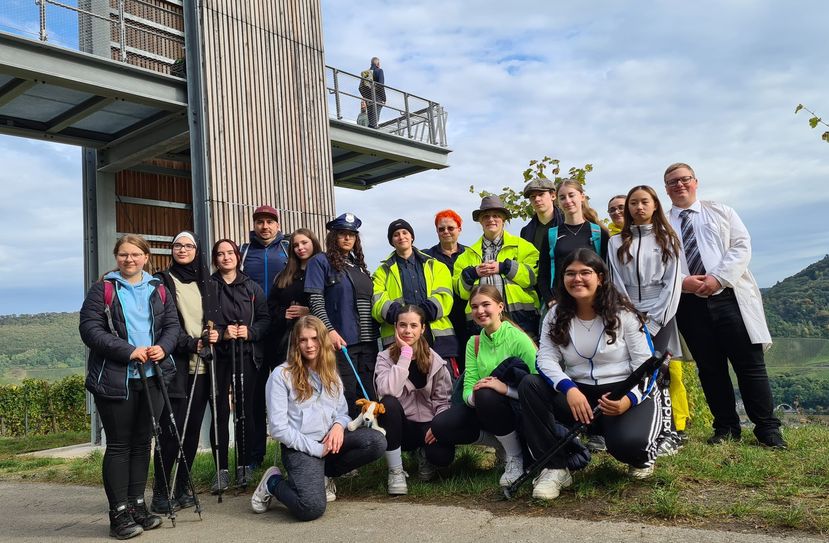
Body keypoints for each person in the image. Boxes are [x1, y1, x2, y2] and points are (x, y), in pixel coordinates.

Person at [520, 249, 662, 500]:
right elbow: (545, 359)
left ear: (601, 278)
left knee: (628, 447)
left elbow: (648, 365)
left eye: (585, 272)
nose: (577, 279)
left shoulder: (624, 314)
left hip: (622, 393)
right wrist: (569, 388)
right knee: (530, 384)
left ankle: (641, 455)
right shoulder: (554, 314)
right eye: (570, 273)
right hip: (579, 395)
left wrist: (627, 400)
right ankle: (555, 467)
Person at [663, 162, 785, 448]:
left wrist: (718, 278)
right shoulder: (663, 225)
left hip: (729, 297)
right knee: (710, 368)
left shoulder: (721, 211)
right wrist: (684, 281)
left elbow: (741, 246)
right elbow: (660, 263)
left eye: (684, 179)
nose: (679, 185)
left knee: (750, 365)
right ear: (666, 189)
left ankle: (767, 429)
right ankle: (726, 428)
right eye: (672, 182)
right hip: (689, 303)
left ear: (695, 182)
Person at [79, 234, 180, 539]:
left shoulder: (158, 288)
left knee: (142, 444)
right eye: (123, 255)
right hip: (116, 379)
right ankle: (118, 514)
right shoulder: (103, 289)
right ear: (117, 257)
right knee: (120, 445)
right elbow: (89, 329)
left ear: (146, 257)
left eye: (135, 254)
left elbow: (172, 326)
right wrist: (128, 351)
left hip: (153, 377)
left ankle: (138, 506)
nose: (129, 260)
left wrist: (162, 347)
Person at [251, 316, 386, 520]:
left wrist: (339, 427)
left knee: (376, 442)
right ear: (296, 343)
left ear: (322, 340)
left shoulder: (329, 371)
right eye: (303, 340)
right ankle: (273, 483)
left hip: (329, 441)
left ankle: (325, 473)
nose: (309, 345)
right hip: (301, 447)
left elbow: (341, 411)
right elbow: (278, 428)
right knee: (310, 508)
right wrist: (317, 449)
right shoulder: (281, 376)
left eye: (314, 338)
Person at [607, 186, 689, 453]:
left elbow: (672, 284)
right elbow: (615, 282)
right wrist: (629, 316)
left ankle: (669, 430)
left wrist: (654, 320)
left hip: (661, 312)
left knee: (659, 371)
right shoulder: (616, 242)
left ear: (655, 205)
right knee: (632, 370)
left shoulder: (668, 238)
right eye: (633, 203)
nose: (638, 208)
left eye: (644, 202)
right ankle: (640, 426)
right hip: (628, 312)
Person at [430, 285, 538, 489]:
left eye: (486, 304)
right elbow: (469, 384)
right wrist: (475, 396)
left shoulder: (519, 339)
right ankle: (503, 444)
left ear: (500, 307)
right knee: (441, 425)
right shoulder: (474, 342)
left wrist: (505, 389)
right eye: (475, 306)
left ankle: (515, 458)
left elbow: (537, 384)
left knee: (488, 395)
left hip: (518, 408)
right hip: (486, 406)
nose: (480, 311)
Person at [150, 231, 218, 514]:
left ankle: (183, 486)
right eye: (177, 245)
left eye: (188, 245)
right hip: (175, 366)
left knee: (190, 433)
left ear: (196, 250)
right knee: (170, 431)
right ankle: (161, 492)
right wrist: (191, 343)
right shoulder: (162, 281)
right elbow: (166, 324)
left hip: (202, 367)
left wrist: (214, 335)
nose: (182, 249)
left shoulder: (207, 283)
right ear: (171, 250)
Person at [210, 239, 270, 491]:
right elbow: (204, 321)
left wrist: (250, 331)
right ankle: (221, 469)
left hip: (247, 356)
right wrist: (223, 333)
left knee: (246, 410)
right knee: (220, 412)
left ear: (237, 256)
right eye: (220, 254)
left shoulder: (252, 287)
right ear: (215, 259)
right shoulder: (208, 287)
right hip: (219, 357)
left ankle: (245, 465)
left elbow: (266, 320)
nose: (226, 258)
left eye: (230, 253)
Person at [305, 213, 379, 417]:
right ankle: (348, 443)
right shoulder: (320, 262)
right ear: (333, 237)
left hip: (368, 342)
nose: (347, 238)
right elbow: (315, 300)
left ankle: (373, 444)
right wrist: (329, 331)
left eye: (352, 235)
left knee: (370, 395)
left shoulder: (359, 266)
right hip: (342, 342)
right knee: (347, 396)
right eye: (342, 234)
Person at [375, 305, 454, 495]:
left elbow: (443, 401)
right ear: (395, 327)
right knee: (388, 403)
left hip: (428, 426)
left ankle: (424, 454)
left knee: (443, 457)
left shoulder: (436, 361)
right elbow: (387, 391)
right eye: (402, 325)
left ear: (423, 329)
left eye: (413, 325)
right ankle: (396, 471)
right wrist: (405, 355)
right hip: (401, 427)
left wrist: (439, 425)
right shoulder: (384, 358)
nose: (408, 331)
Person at [372, 219, 458, 372]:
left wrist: (418, 316)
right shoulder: (381, 272)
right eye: (396, 235)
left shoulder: (436, 266)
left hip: (438, 341)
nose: (401, 237)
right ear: (392, 241)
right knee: (404, 392)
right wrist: (405, 318)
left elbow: (445, 296)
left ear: (412, 237)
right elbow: (378, 303)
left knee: (444, 390)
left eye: (405, 233)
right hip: (398, 344)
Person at [240, 204, 289, 469]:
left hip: (283, 331)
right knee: (254, 397)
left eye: (270, 222)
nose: (265, 226)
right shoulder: (244, 251)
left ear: (278, 225)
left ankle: (292, 455)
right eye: (260, 222)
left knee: (289, 395)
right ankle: (253, 458)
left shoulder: (288, 249)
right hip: (254, 333)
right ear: (254, 225)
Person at [453, 195, 540, 340]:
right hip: (481, 325)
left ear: (503, 220)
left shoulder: (523, 246)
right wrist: (473, 273)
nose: (491, 220)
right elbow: (460, 291)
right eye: (486, 216)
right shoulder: (465, 256)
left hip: (521, 320)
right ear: (480, 221)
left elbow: (532, 278)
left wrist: (505, 267)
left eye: (496, 216)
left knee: (525, 362)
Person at [267, 229, 322, 370]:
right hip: (288, 342)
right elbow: (271, 306)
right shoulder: (284, 276)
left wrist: (309, 312)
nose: (300, 248)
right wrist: (283, 313)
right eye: (296, 245)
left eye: (304, 243)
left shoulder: (325, 271)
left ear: (314, 243)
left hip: (317, 341)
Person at [424, 209, 469, 374]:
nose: (446, 232)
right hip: (441, 321)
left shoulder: (470, 254)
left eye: (450, 228)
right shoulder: (426, 257)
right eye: (441, 229)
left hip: (467, 318)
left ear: (459, 229)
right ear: (436, 231)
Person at [549, 179, 609, 289]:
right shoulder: (551, 235)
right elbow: (544, 273)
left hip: (593, 299)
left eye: (571, 195)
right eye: (562, 197)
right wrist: (550, 299)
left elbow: (607, 270)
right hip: (561, 301)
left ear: (582, 197)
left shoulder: (598, 233)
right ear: (558, 202)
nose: (567, 201)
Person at [520, 178, 564, 309]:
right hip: (537, 293)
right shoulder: (526, 231)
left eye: (541, 194)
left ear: (553, 195)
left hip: (565, 290)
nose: (537, 199)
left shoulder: (567, 223)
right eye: (533, 197)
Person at [359, 57, 386, 129]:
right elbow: (381, 85)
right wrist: (384, 98)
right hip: (377, 98)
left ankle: (370, 126)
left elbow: (361, 87)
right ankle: (374, 127)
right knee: (376, 114)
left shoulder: (366, 73)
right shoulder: (379, 71)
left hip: (368, 97)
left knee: (370, 114)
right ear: (378, 64)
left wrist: (366, 96)